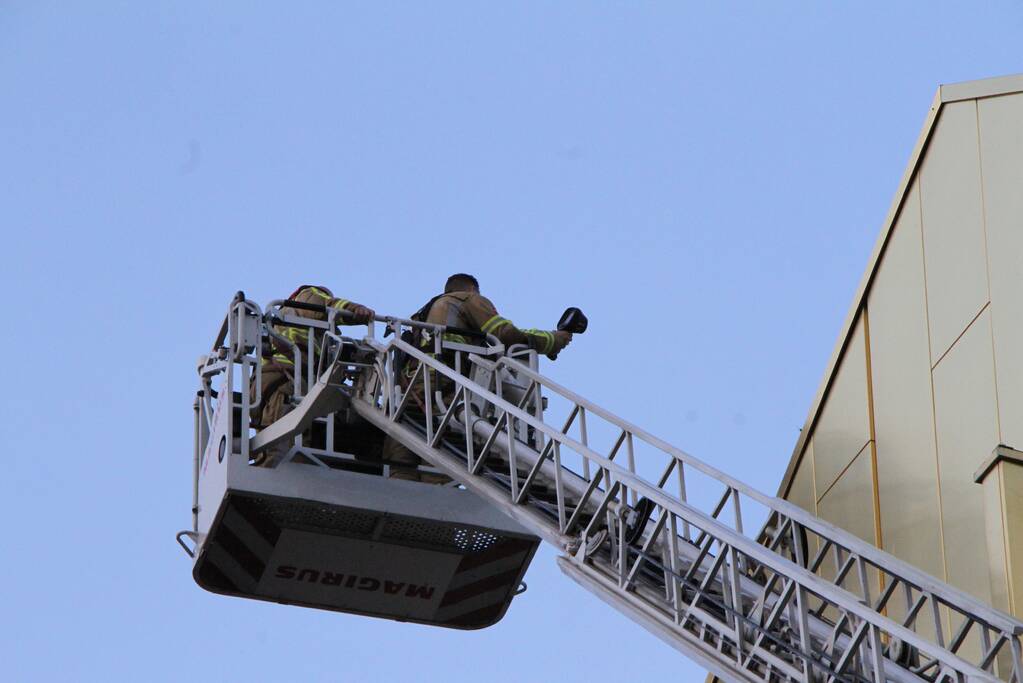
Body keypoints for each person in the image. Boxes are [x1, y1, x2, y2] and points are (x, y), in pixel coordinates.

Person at [382, 273, 573, 482]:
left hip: (409, 386)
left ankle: (399, 496)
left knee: (402, 456)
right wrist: (553, 340)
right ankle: (433, 497)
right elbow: (505, 333)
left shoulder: (424, 313)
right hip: (442, 384)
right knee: (440, 453)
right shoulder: (468, 299)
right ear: (472, 289)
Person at [251, 285, 375, 465]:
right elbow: (330, 306)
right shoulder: (308, 295)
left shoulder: (283, 320)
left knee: (280, 444)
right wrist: (355, 310)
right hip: (286, 382)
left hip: (273, 386)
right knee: (281, 452)